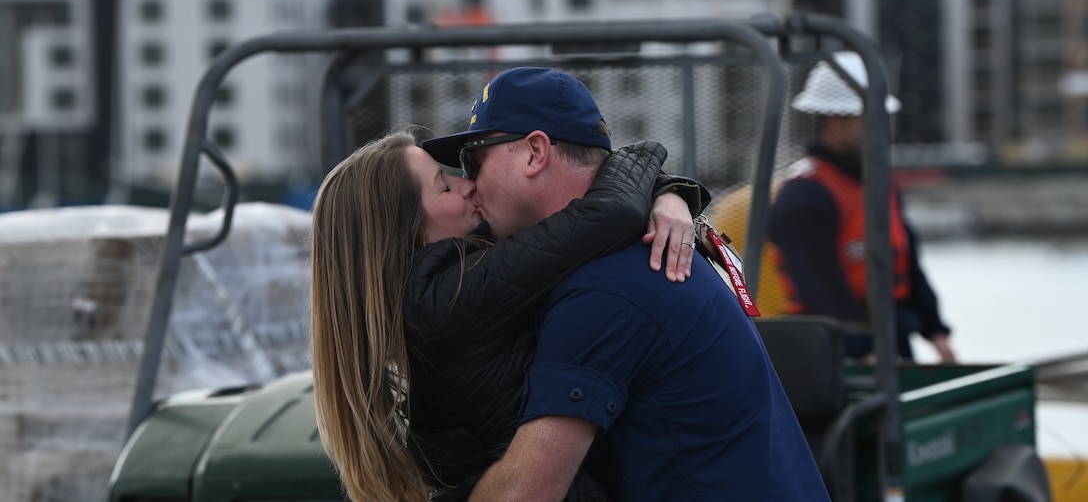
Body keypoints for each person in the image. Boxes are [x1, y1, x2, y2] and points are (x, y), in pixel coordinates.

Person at [420, 67, 829, 501]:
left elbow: (527, 493)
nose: (467, 183)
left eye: (473, 159)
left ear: (535, 153)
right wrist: (667, 189)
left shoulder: (604, 286)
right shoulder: (620, 252)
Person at [310, 121, 708, 498]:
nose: (467, 186)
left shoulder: (428, 298)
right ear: (404, 232)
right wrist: (649, 163)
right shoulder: (449, 297)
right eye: (443, 186)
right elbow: (608, 214)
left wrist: (666, 193)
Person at [767, 51, 957, 363]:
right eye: (868, 118)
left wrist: (937, 331)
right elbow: (819, 290)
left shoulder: (879, 183)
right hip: (837, 353)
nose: (879, 127)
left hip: (891, 332)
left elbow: (907, 260)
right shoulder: (805, 196)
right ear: (834, 119)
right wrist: (864, 350)